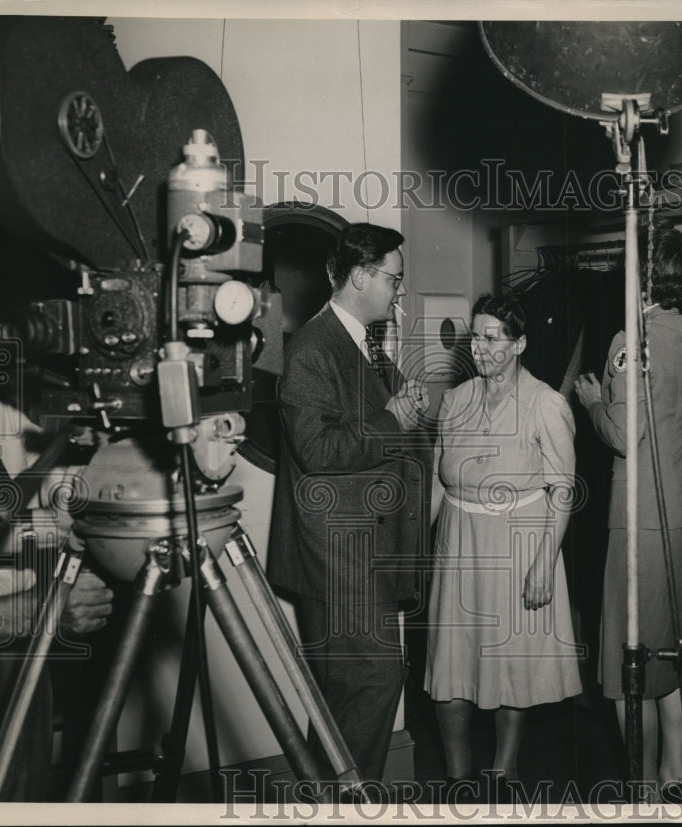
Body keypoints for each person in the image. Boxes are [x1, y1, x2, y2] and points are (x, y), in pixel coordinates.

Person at [268, 222, 432, 786]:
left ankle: (326, 796)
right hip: (338, 556)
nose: (399, 291)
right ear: (361, 275)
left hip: (363, 550)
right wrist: (394, 421)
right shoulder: (314, 349)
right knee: (375, 679)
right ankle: (345, 805)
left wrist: (401, 409)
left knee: (345, 692)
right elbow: (317, 450)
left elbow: (367, 426)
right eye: (394, 279)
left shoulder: (361, 344)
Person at [575, 226, 682, 794]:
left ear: (642, 278)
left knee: (628, 657)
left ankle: (639, 786)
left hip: (638, 517)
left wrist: (591, 402)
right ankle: (676, 777)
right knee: (675, 651)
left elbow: (623, 433)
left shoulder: (628, 340)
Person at [425, 293, 582, 800]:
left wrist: (545, 560)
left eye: (493, 337)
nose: (481, 346)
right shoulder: (455, 399)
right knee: (450, 659)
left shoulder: (545, 403)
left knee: (510, 661)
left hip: (520, 543)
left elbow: (562, 489)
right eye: (476, 335)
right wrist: (423, 550)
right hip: (458, 539)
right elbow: (436, 478)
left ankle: (504, 767)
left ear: (519, 344)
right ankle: (457, 773)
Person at [0, 393, 114, 801]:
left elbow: (49, 483)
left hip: (18, 652)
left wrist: (97, 475)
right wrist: (39, 612)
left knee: (24, 798)